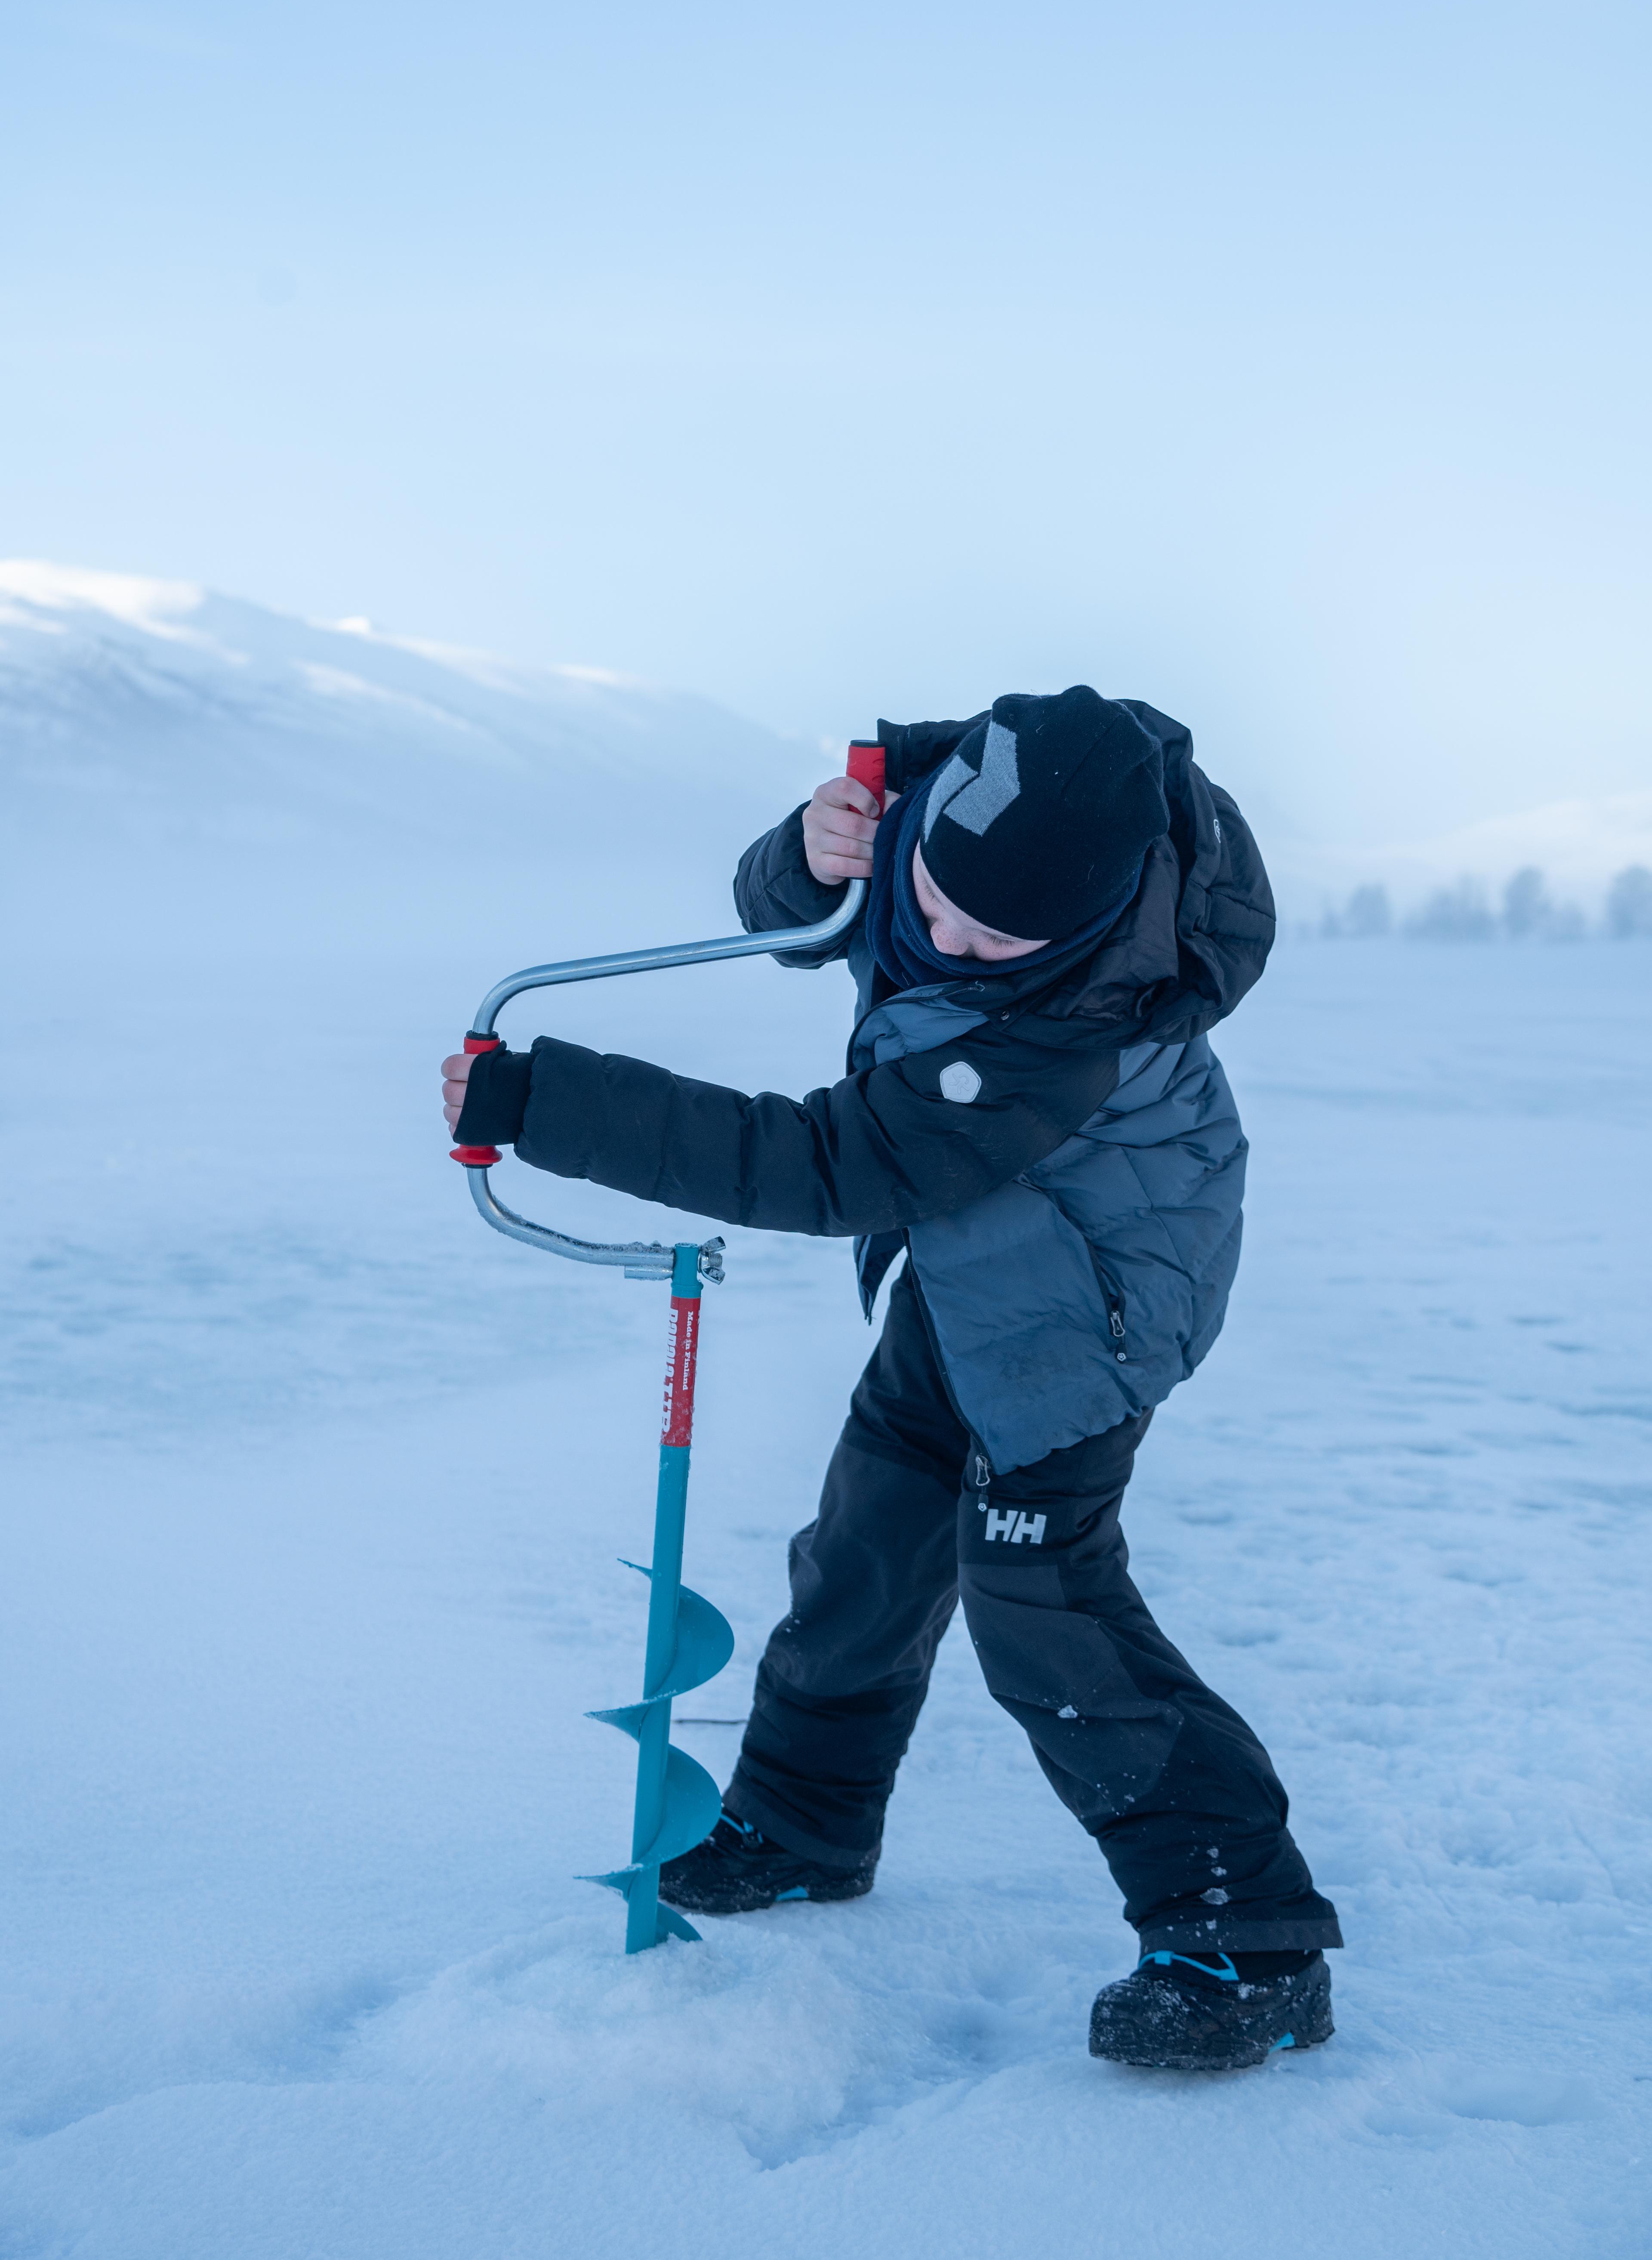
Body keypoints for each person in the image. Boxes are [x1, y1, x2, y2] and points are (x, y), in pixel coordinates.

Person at [442, 686, 1341, 2072]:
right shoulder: (942, 836)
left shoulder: (1073, 1021)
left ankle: (1250, 1937)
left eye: (997, 938)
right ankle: (801, 1825)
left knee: (1042, 1605)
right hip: (974, 1263)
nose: (951, 940)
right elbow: (794, 911)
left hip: (1089, 1309)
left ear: (1093, 924)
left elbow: (828, 1162)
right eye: (933, 898)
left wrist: (546, 1104)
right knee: (868, 1543)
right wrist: (814, 854)